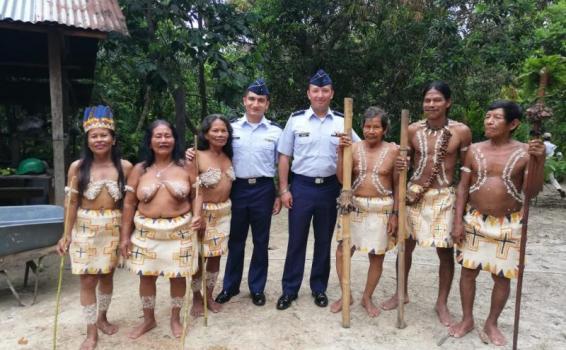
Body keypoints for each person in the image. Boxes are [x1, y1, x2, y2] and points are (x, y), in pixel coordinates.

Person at [449, 100, 545, 346]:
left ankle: (491, 322)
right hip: (475, 219)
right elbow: (462, 188)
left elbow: (531, 192)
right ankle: (467, 318)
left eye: (496, 118)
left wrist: (538, 161)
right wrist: (458, 221)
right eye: (487, 116)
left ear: (513, 124)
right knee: (468, 272)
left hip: (509, 223)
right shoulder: (474, 149)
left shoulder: (525, 152)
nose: (489, 122)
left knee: (502, 276)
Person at [381, 81, 472, 326]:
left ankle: (441, 303)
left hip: (443, 196)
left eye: (437, 100)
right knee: (404, 247)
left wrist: (462, 211)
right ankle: (401, 292)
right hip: (414, 194)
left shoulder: (461, 131)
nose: (431, 104)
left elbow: (466, 172)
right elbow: (403, 169)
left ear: (448, 102)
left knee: (445, 252)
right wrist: (400, 168)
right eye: (427, 100)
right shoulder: (411, 130)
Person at [276, 69, 360, 310]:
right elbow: (284, 156)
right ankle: (289, 289)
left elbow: (361, 149)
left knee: (323, 240)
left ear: (331, 93)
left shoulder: (343, 121)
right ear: (308, 93)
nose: (320, 95)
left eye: (325, 91)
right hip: (301, 186)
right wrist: (284, 190)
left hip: (330, 189)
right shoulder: (296, 119)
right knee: (296, 240)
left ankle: (319, 288)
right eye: (316, 90)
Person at [57, 105, 132, 350]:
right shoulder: (77, 168)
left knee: (107, 276)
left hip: (112, 227)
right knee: (88, 281)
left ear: (113, 138)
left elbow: (129, 204)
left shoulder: (125, 167)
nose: (99, 139)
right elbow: (71, 202)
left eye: (104, 135)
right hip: (85, 229)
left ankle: (102, 317)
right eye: (94, 136)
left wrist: (126, 236)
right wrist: (65, 235)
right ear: (88, 140)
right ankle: (91, 332)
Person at [120, 120, 200, 339]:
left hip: (179, 230)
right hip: (146, 232)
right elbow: (128, 203)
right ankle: (148, 319)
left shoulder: (186, 166)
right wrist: (124, 236)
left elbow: (196, 195)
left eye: (168, 136)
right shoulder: (139, 169)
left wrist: (198, 215)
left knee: (177, 276)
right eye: (158, 136)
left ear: (175, 140)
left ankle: (175, 319)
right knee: (146, 276)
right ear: (150, 140)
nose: (163, 140)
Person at [213, 79, 283, 307]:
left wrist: (280, 193)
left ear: (267, 104)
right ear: (244, 101)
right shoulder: (231, 129)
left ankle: (257, 288)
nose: (255, 104)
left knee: (261, 241)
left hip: (263, 188)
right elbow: (214, 151)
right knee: (236, 241)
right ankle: (230, 286)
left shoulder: (276, 132)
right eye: (251, 99)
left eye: (260, 100)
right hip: (237, 189)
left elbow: (282, 163)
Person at [330, 107, 399, 317]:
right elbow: (342, 179)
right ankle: (346, 294)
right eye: (367, 126)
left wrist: (396, 214)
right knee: (343, 251)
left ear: (384, 129)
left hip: (382, 208)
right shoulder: (353, 147)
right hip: (354, 205)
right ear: (362, 127)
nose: (371, 131)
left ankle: (367, 297)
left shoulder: (394, 151)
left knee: (376, 256)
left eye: (376, 127)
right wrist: (341, 152)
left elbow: (398, 185)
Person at [189, 114, 235, 316]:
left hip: (223, 213)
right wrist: (196, 215)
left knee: (215, 256)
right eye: (215, 130)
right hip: (203, 213)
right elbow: (192, 191)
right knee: (199, 258)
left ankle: (209, 295)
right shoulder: (196, 156)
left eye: (223, 130)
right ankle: (196, 298)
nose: (220, 134)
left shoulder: (228, 156)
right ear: (206, 134)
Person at [543, 132, 565, 198]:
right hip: (550, 164)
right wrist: (558, 161)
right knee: (552, 179)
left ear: (543, 138)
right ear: (550, 138)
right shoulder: (553, 146)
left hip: (541, 163)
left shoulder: (541, 145)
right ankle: (560, 189)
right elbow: (559, 155)